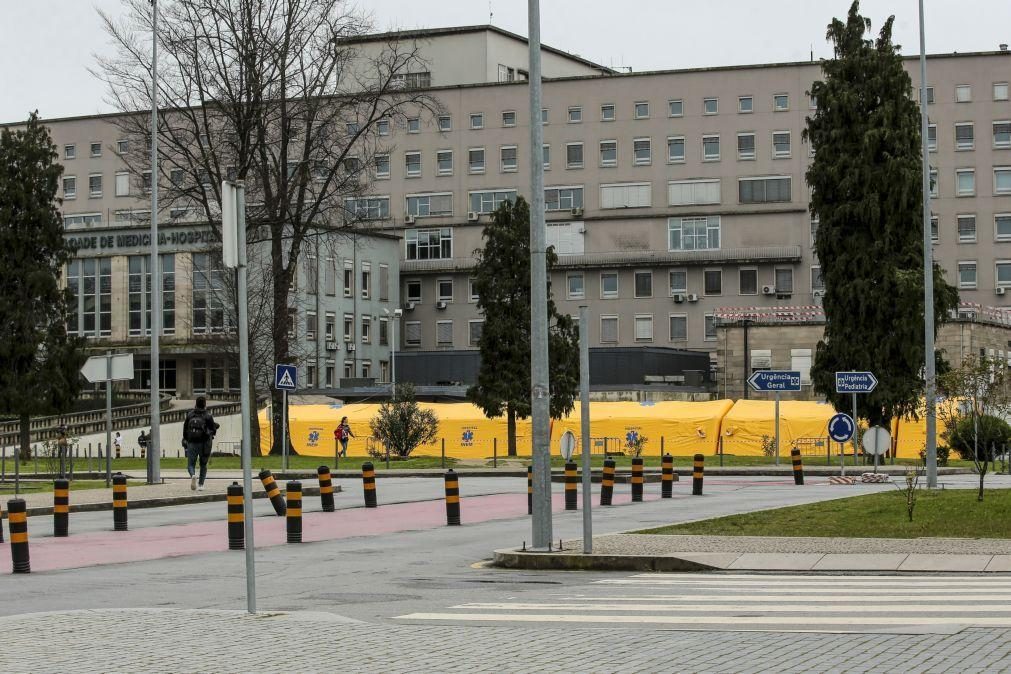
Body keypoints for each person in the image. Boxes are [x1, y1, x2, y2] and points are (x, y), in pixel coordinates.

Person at [183, 397, 220, 491]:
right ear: (204, 404)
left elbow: (185, 429)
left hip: (192, 443)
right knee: (203, 464)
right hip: (205, 443)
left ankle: (193, 475)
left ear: (196, 404)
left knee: (190, 464)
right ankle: (201, 484)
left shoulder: (190, 414)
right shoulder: (208, 415)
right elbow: (213, 429)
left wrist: (187, 440)